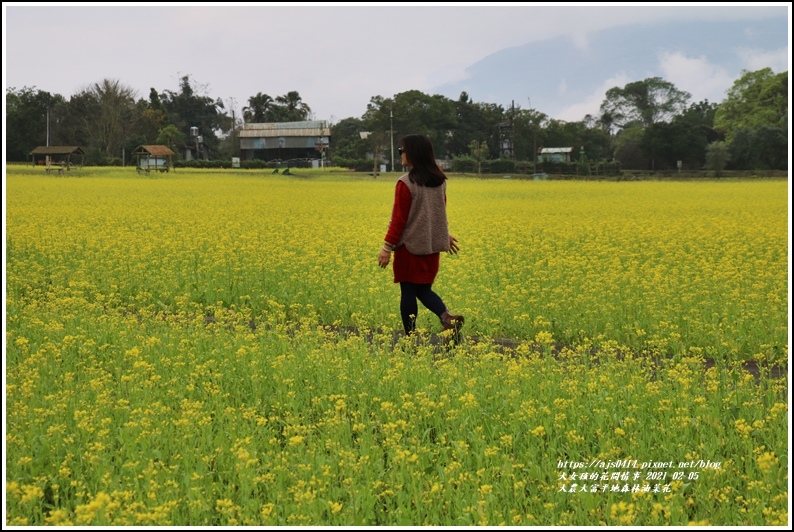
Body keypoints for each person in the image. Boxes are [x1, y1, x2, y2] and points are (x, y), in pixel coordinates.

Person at [377, 134, 464, 337]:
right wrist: (443, 235)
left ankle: (410, 336)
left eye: (402, 150)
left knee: (408, 291)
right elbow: (439, 211)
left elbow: (398, 220)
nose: (400, 154)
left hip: (410, 248)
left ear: (413, 153)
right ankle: (447, 317)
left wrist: (386, 248)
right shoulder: (439, 181)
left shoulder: (405, 183)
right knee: (423, 290)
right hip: (431, 247)